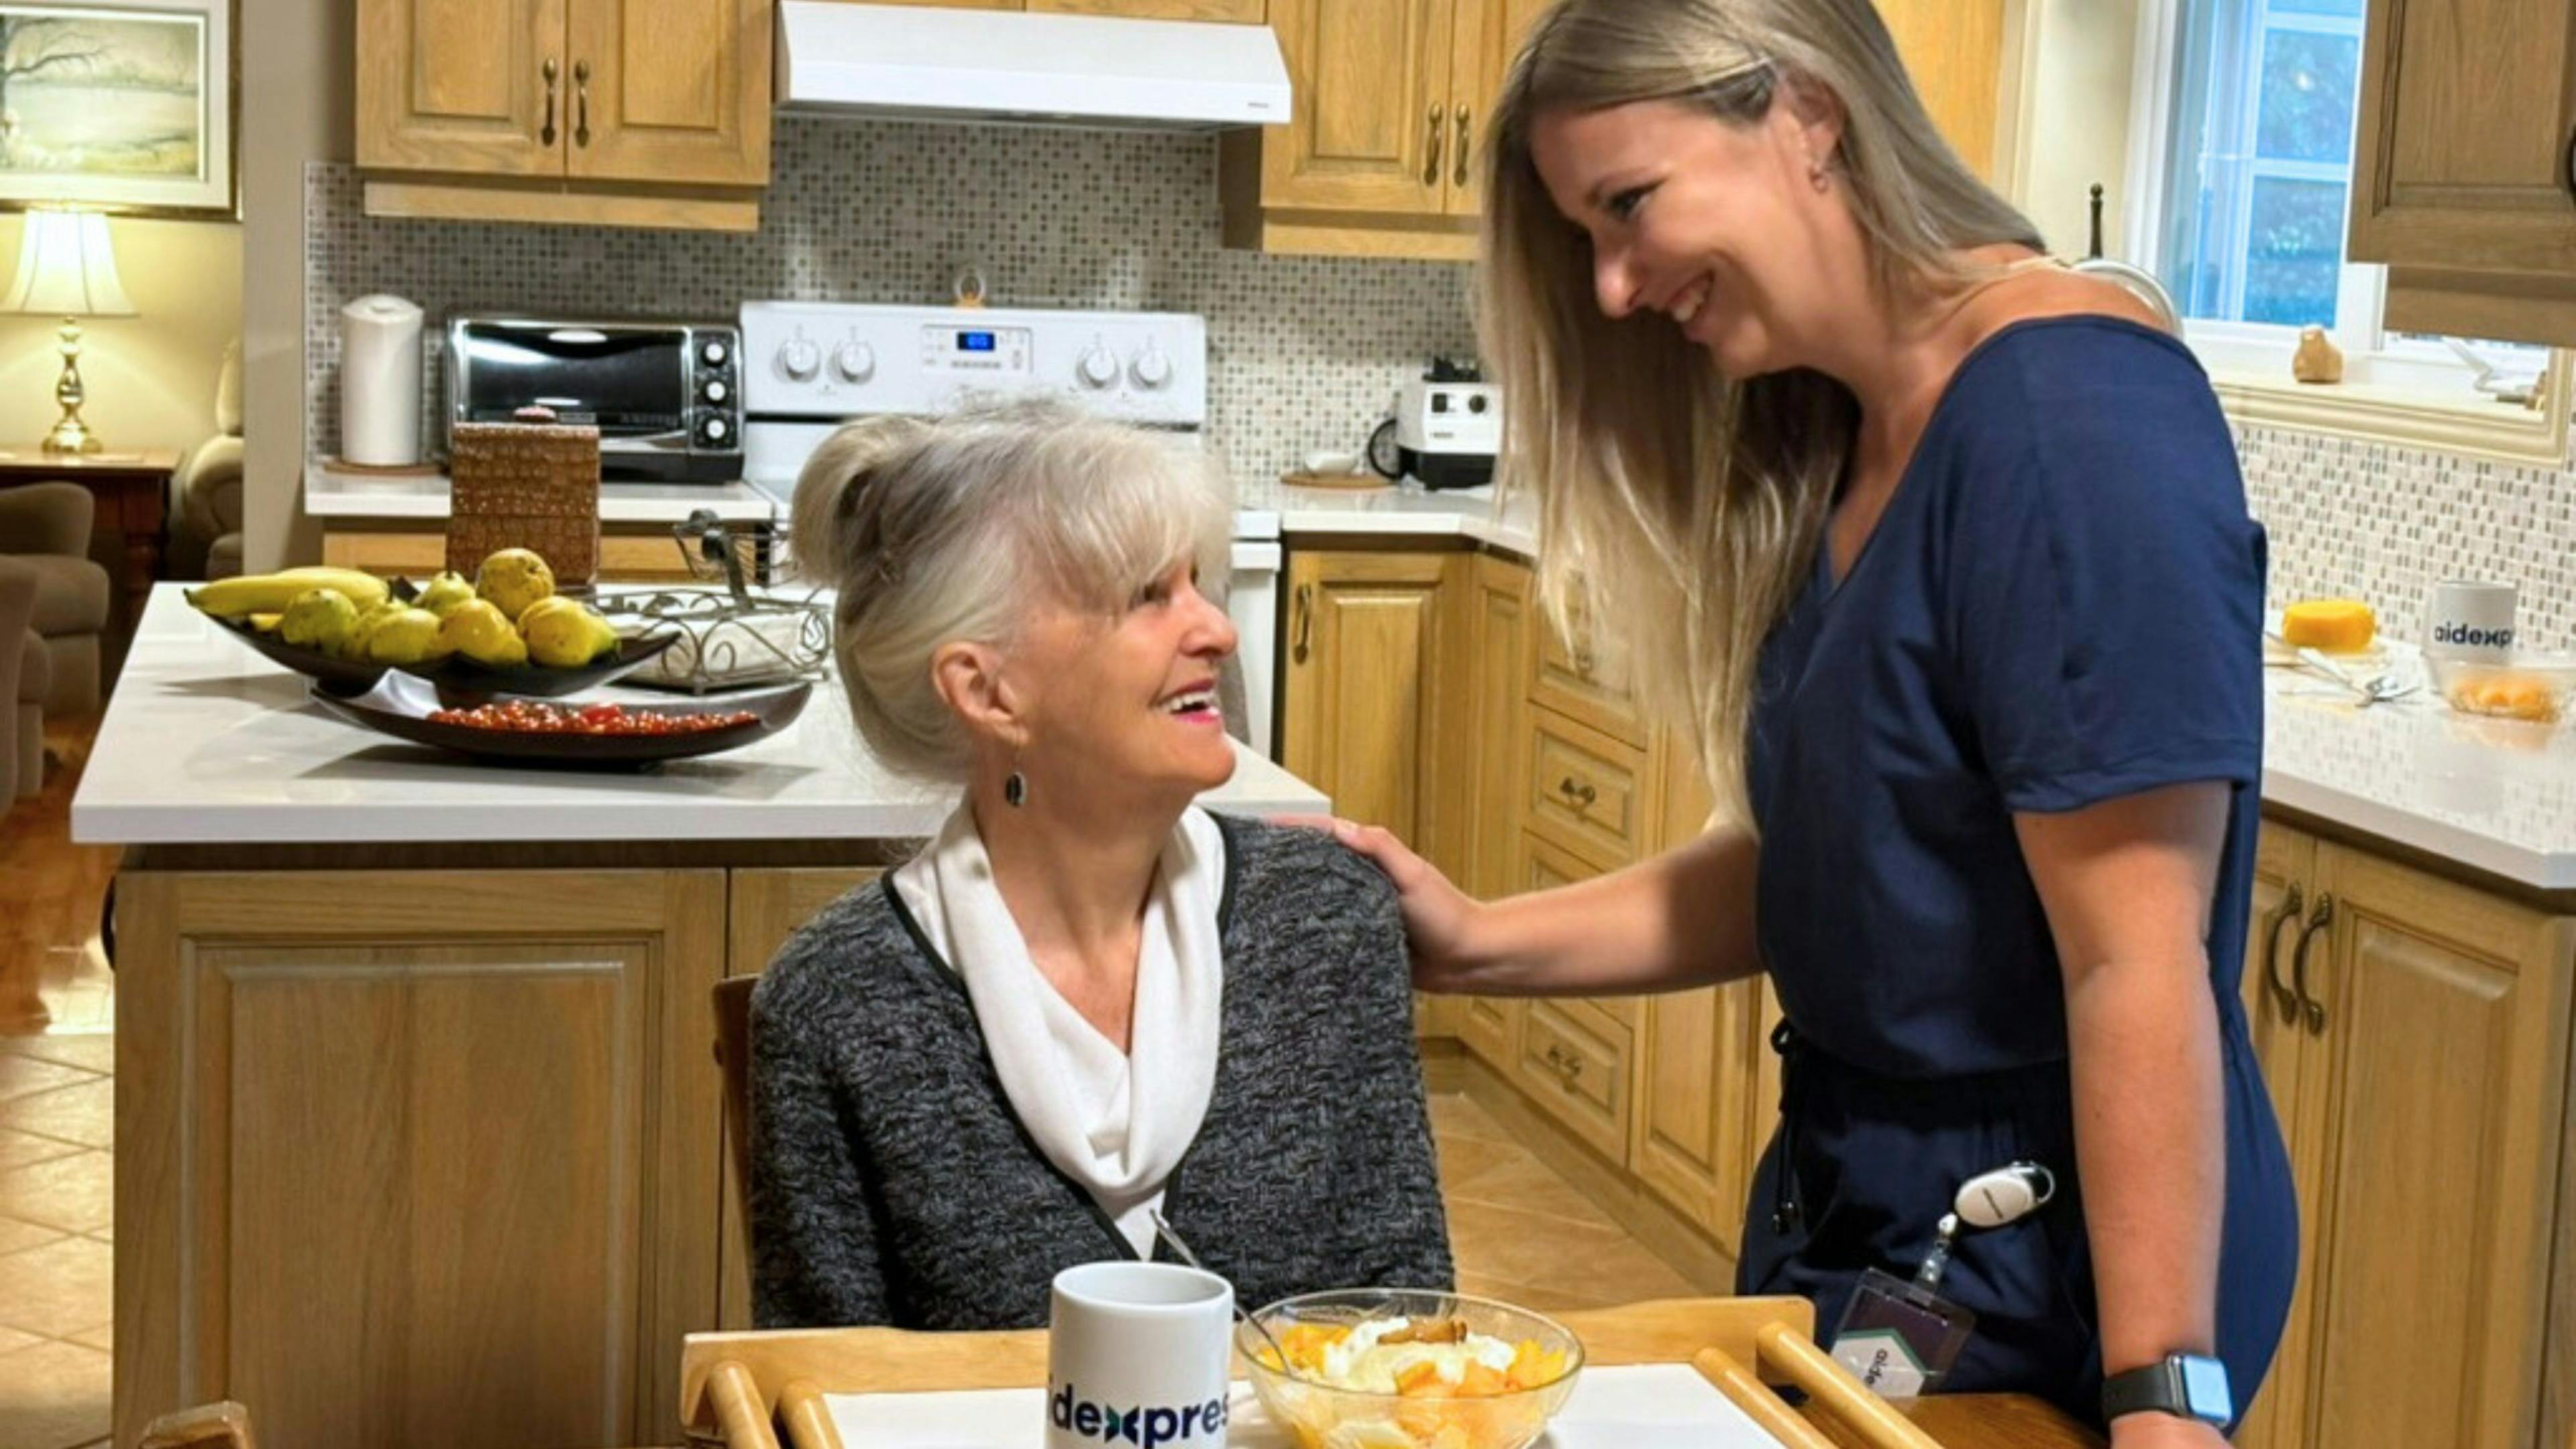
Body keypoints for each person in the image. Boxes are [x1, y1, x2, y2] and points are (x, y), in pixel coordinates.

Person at [1311, 3, 2296, 1442]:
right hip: (1872, 1211)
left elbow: (2133, 963)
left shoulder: (2069, 418)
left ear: (1811, 115)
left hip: (2048, 1252)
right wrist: (1473, 943)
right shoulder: (1827, 436)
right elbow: (1827, 873)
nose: (1612, 289)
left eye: (1629, 206)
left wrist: (2162, 1403)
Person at [749, 400, 1452, 1330]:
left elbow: (1409, 1341)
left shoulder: (1326, 921)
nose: (1218, 632)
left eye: (1196, 581)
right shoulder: (838, 1005)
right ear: (988, 690)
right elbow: (823, 1398)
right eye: (1145, 597)